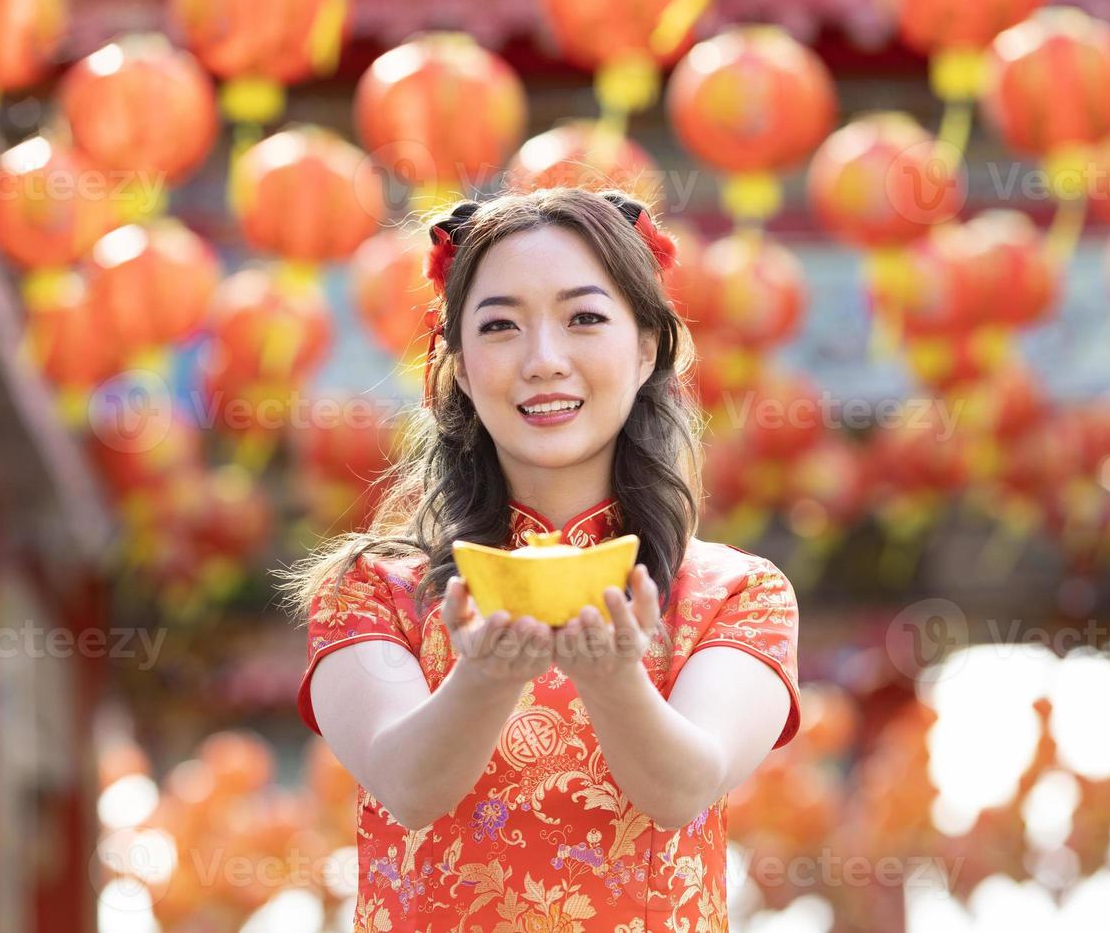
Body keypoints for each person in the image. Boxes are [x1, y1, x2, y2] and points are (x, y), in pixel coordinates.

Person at [279, 187, 800, 931]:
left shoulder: (735, 594)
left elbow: (683, 789)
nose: (543, 361)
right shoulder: (374, 592)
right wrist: (486, 677)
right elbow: (407, 785)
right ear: (458, 365)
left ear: (647, 348)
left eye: (584, 318)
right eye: (500, 327)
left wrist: (612, 677)